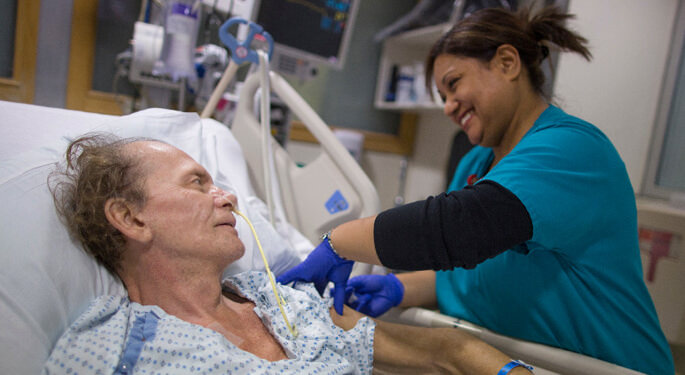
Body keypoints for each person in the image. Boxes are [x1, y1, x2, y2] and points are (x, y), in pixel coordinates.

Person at [277, 6, 675, 375]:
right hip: (526, 359)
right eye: (443, 97)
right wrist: (400, 288)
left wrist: (339, 242)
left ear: (507, 62)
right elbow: (469, 276)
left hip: (610, 365)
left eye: (453, 85)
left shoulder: (571, 151)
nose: (449, 106)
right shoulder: (475, 165)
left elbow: (457, 229)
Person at [44, 133, 533, 375]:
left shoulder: (282, 301)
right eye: (197, 183)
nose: (228, 197)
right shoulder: (112, 347)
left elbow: (447, 349)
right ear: (130, 219)